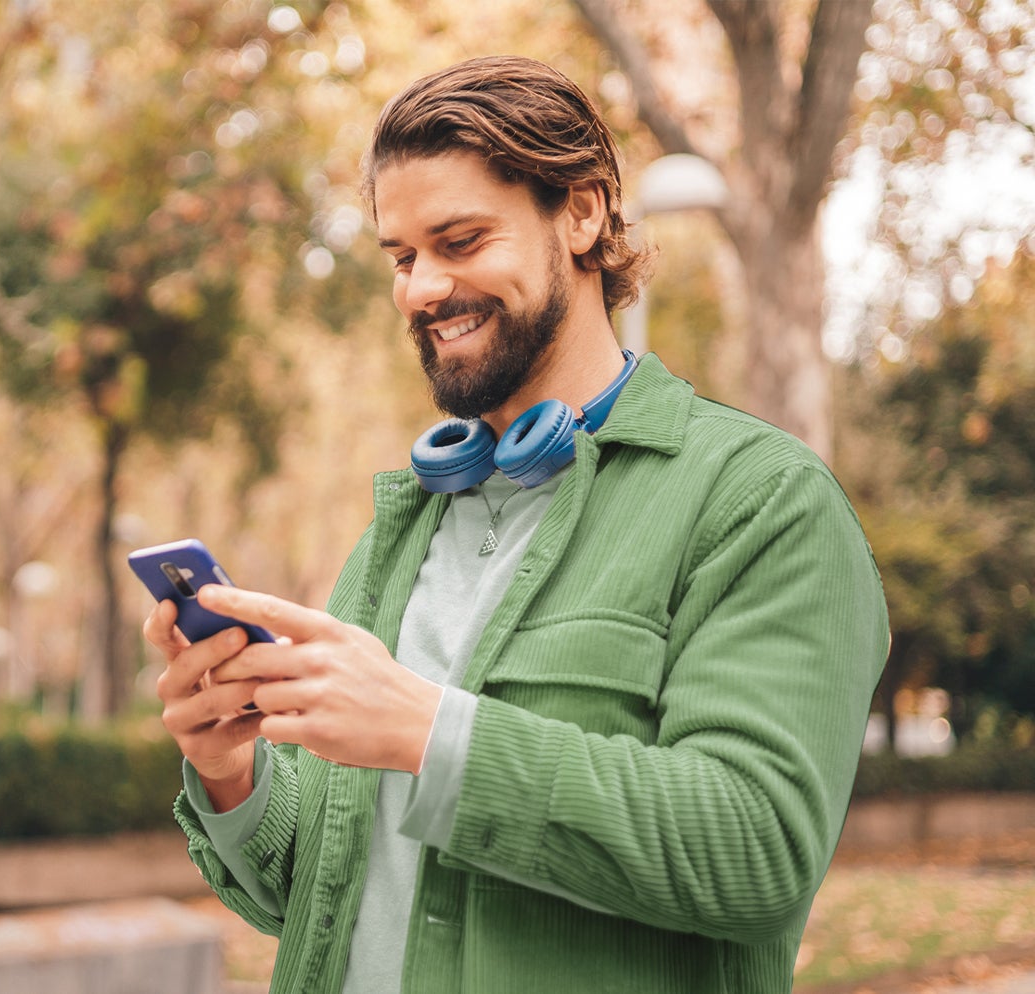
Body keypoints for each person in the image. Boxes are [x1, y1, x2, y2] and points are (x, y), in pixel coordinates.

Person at [147, 55, 889, 994]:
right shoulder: (402, 528)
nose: (421, 289)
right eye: (403, 256)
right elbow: (323, 895)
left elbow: (756, 850)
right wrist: (230, 772)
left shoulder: (761, 501)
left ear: (581, 214)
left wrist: (426, 730)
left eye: (460, 240)